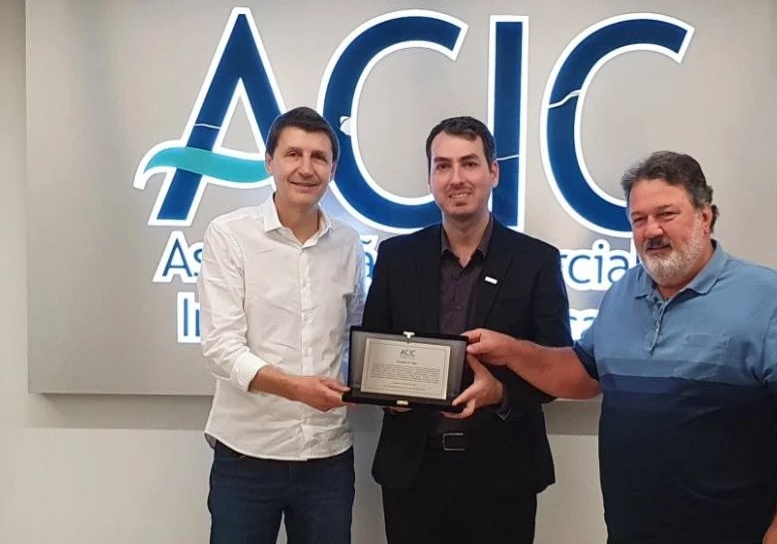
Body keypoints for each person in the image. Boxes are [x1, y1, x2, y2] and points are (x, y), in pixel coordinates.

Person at [467, 151, 777, 544]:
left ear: (705, 216)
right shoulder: (621, 294)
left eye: (666, 214)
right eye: (639, 219)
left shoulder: (769, 298)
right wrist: (510, 351)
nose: (651, 231)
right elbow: (582, 375)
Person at [361, 116, 572, 544]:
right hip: (412, 475)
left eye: (469, 163)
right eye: (443, 166)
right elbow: (373, 353)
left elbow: (558, 368)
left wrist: (501, 392)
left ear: (493, 172)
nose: (456, 178)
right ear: (430, 179)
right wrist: (388, 396)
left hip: (504, 475)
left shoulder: (536, 261)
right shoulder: (396, 257)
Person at [198, 106, 365, 544]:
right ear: (270, 161)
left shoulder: (349, 243)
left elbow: (356, 337)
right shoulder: (229, 235)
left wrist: (383, 383)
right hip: (247, 455)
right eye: (293, 154)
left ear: (333, 169)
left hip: (328, 458)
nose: (306, 169)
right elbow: (221, 349)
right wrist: (297, 389)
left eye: (319, 157)